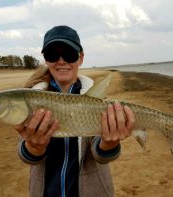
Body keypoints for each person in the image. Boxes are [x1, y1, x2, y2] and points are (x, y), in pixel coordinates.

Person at [14, 25, 135, 197]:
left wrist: (109, 144)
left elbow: (101, 156)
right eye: (53, 55)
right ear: (46, 60)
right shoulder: (33, 99)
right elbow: (26, 155)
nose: (61, 61)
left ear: (80, 58)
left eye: (69, 54)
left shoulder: (96, 101)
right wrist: (34, 146)